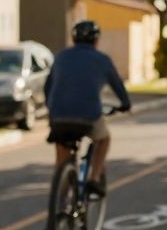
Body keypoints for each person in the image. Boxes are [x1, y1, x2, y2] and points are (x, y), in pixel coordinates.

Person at [44, 20, 131, 197]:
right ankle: (94, 178)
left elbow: (48, 88)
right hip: (88, 117)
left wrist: (53, 108)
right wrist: (125, 104)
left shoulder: (61, 56)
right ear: (96, 40)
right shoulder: (103, 60)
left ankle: (59, 207)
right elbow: (118, 87)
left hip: (58, 117)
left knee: (62, 160)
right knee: (104, 139)